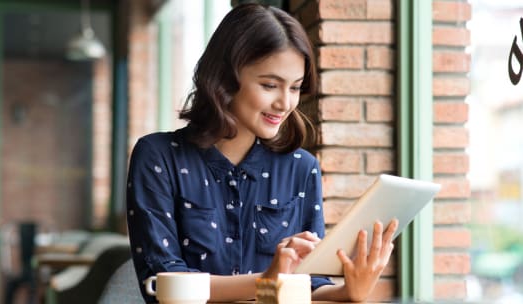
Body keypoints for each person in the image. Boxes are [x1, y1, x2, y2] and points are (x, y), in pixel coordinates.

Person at [126, 3, 398, 303]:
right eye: (270, 85)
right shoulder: (158, 157)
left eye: (295, 87)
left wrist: (348, 290)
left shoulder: (301, 168)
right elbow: (161, 283)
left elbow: (309, 282)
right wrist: (267, 281)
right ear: (225, 79)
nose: (285, 103)